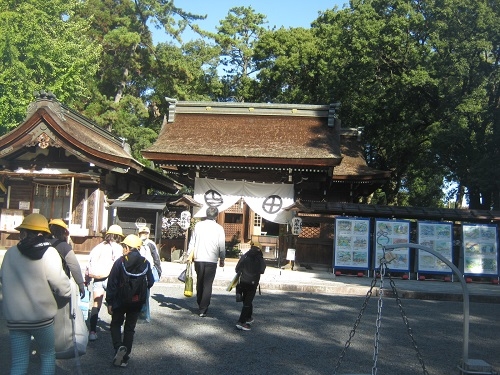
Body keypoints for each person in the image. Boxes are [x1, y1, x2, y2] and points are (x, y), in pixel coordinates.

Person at [0, 213, 71, 374]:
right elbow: (63, 286)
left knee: (18, 362)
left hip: (15, 319)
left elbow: (3, 279)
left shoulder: (11, 253)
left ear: (24, 233)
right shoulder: (49, 253)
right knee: (47, 355)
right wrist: (59, 301)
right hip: (42, 318)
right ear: (44, 234)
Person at [106, 234, 154, 367]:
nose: (122, 249)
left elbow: (112, 283)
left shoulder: (120, 262)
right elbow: (151, 281)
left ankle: (118, 348)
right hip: (137, 301)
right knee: (129, 329)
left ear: (128, 247)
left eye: (123, 246)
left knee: (115, 324)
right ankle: (125, 358)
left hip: (120, 300)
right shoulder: (145, 262)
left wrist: (109, 301)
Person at [86, 224, 124, 341]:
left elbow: (89, 263)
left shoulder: (98, 247)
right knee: (115, 304)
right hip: (112, 279)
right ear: (118, 236)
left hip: (98, 278)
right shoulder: (118, 248)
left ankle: (92, 331)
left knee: (96, 304)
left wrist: (87, 280)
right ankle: (116, 327)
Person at [187, 206, 225, 317]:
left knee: (200, 281)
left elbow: (192, 241)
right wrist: (222, 258)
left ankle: (200, 303)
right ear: (216, 216)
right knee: (208, 283)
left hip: (199, 257)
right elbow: (221, 245)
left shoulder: (198, 225)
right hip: (211, 259)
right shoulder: (219, 228)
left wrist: (189, 255)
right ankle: (203, 308)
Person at [49, 218, 86, 298]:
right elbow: (74, 266)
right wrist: (80, 284)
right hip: (60, 283)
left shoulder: (43, 242)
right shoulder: (64, 246)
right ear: (63, 232)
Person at [234, 240, 267, 331]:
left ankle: (248, 317)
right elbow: (262, 270)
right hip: (253, 283)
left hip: (243, 281)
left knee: (246, 301)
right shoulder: (260, 258)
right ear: (259, 249)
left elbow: (237, 269)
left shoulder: (245, 256)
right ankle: (241, 322)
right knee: (247, 302)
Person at [138, 226, 162, 322]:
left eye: (145, 233)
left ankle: (143, 315)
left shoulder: (147, 244)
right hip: (145, 270)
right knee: (144, 293)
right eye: (143, 233)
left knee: (142, 293)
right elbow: (156, 258)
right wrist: (159, 270)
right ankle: (144, 315)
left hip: (143, 270)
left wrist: (158, 270)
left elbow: (156, 258)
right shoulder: (149, 243)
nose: (144, 235)